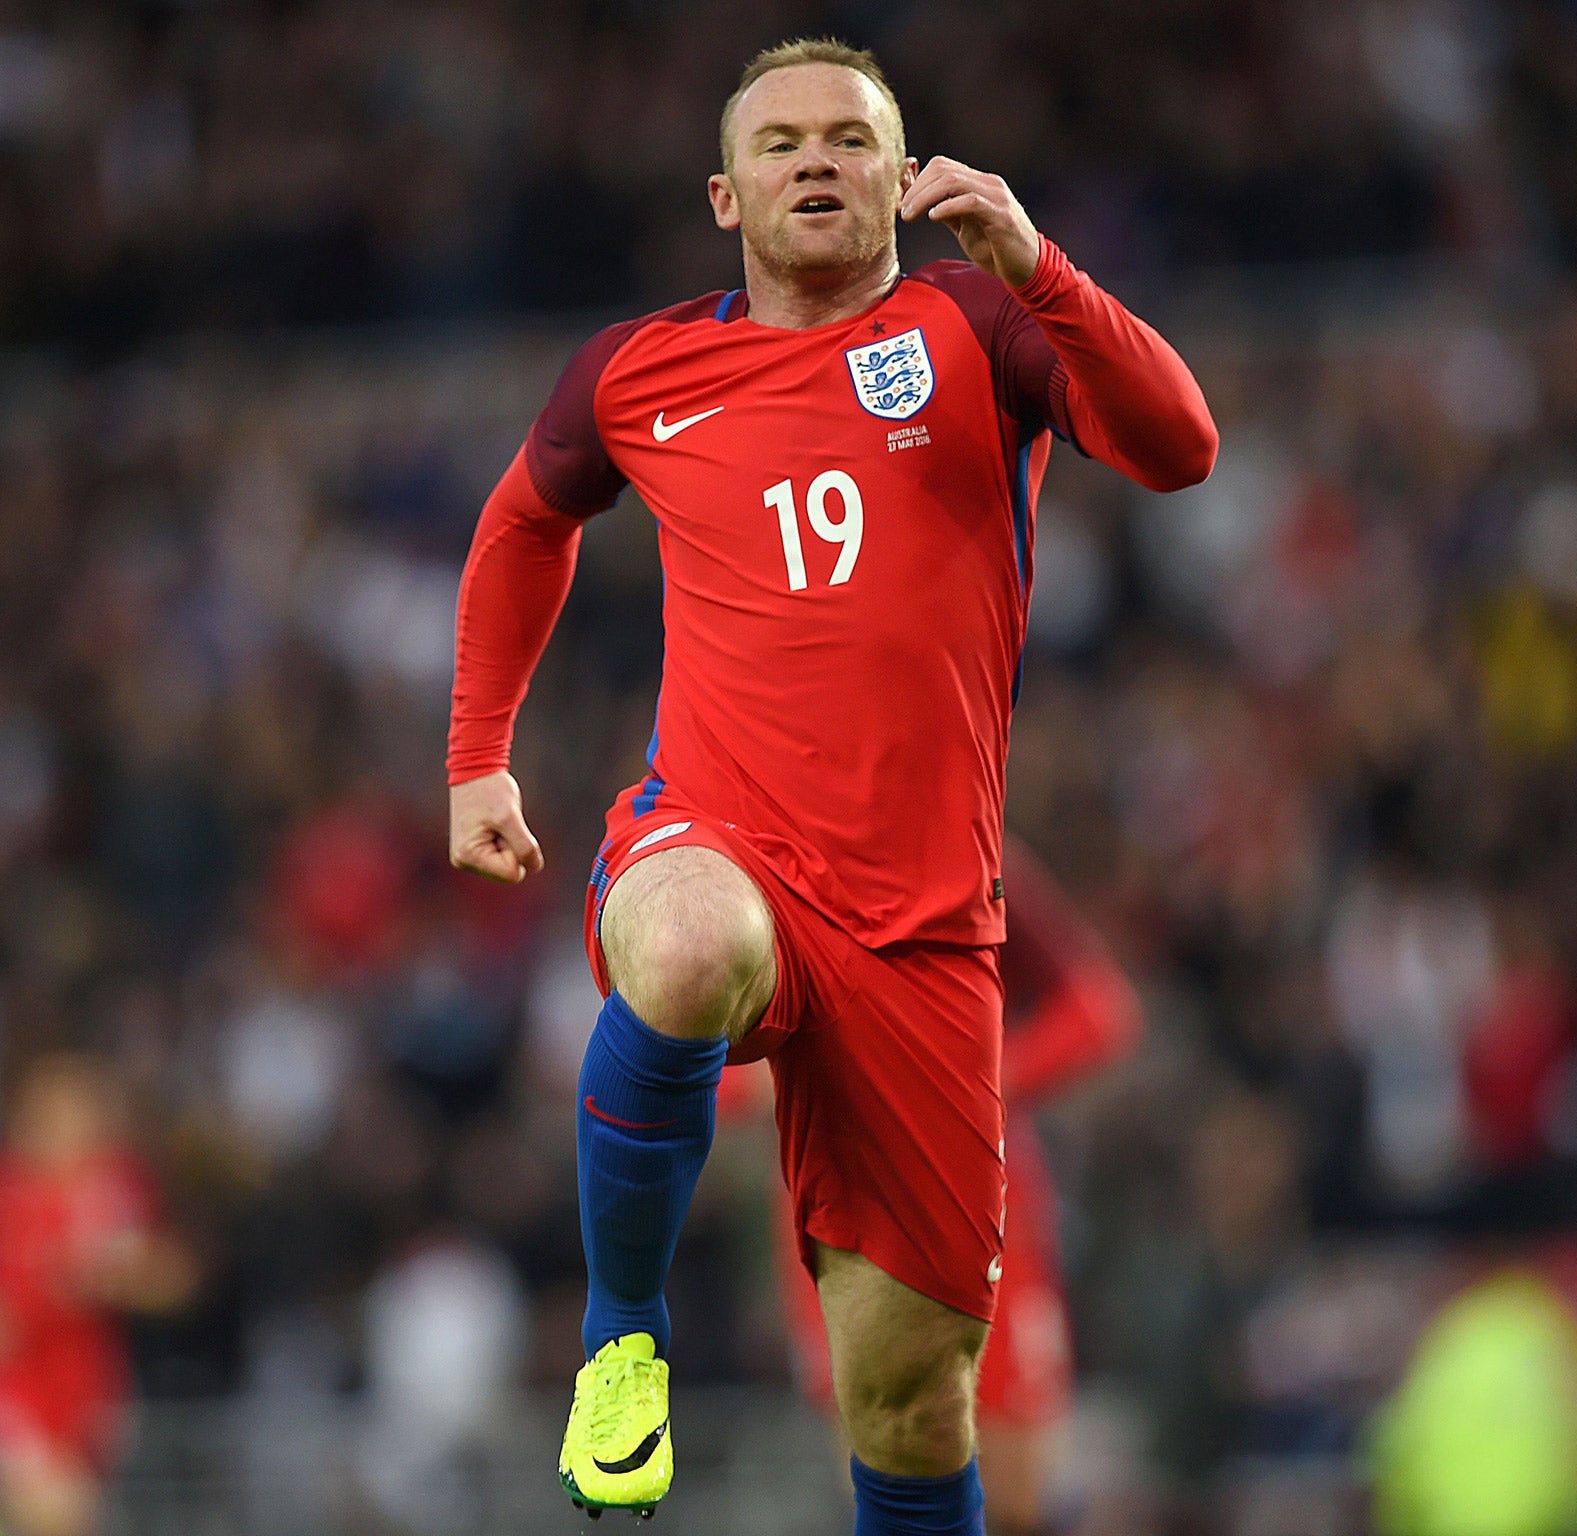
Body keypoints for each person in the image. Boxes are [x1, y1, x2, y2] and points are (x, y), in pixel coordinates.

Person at [446, 36, 1215, 1534]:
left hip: (924, 932)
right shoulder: (636, 368)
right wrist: (480, 753)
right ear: (726, 196)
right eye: (783, 141)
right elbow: (523, 522)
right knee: (680, 951)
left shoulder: (979, 327)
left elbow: (1179, 447)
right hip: (717, 842)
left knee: (916, 1409)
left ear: (900, 177)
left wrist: (1038, 262)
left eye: (852, 140)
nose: (818, 159)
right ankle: (623, 1343)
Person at [752, 839, 1141, 1535]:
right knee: (885, 1480)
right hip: (838, 1202)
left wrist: (975, 1089)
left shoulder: (962, 849)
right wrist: (764, 1081)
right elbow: (669, 1039)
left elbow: (1098, 1011)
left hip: (978, 1199)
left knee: (1019, 1498)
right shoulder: (758, 857)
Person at [0, 1054, 196, 1536]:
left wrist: (123, 1278)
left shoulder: (114, 1184)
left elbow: (176, 1276)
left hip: (86, 1370)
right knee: (53, 1512)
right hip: (7, 1371)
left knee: (73, 1515)